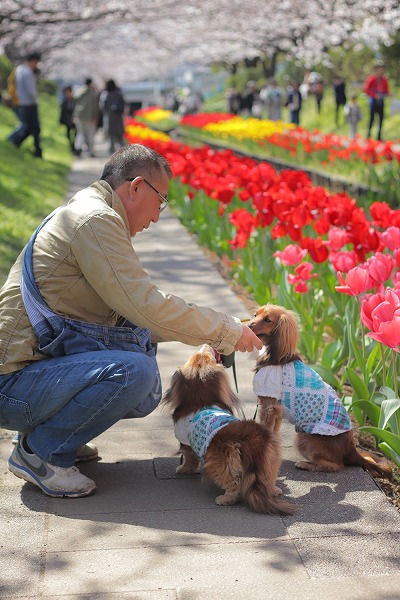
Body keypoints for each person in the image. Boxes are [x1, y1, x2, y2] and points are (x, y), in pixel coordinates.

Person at [0, 143, 262, 499]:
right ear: (136, 186)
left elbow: (137, 316)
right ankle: (41, 451)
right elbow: (146, 306)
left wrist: (218, 332)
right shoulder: (96, 220)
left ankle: (59, 434)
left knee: (142, 367)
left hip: (22, 379)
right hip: (11, 388)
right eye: (161, 201)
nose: (157, 217)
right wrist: (227, 331)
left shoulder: (90, 213)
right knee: (135, 373)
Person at [7, 51, 43, 158]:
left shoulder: (19, 69)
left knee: (28, 127)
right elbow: (31, 91)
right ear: (33, 61)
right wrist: (35, 100)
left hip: (21, 102)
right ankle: (36, 151)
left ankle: (14, 142)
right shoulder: (28, 72)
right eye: (37, 62)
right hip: (29, 104)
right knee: (35, 129)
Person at [73, 77, 99, 157]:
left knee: (80, 134)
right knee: (90, 134)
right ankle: (91, 152)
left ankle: (77, 148)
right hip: (89, 116)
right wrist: (96, 116)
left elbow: (74, 101)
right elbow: (95, 106)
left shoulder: (79, 92)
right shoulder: (92, 93)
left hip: (79, 116)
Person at [364, 62, 391, 141]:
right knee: (372, 119)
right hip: (373, 101)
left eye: (382, 70)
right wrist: (374, 95)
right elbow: (366, 89)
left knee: (381, 119)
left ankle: (379, 136)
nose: (381, 71)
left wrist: (389, 94)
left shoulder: (385, 80)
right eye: (379, 70)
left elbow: (386, 91)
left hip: (381, 101)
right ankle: (368, 135)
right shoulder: (371, 79)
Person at [102, 79, 125, 154]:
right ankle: (123, 153)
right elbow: (123, 105)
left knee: (111, 136)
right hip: (118, 118)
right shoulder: (118, 94)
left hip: (109, 118)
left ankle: (112, 153)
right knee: (120, 137)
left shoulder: (105, 95)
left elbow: (102, 107)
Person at [59, 85, 77, 154]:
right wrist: (60, 121)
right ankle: (71, 146)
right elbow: (62, 111)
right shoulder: (64, 100)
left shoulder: (74, 100)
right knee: (68, 134)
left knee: (75, 134)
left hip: (74, 119)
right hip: (67, 120)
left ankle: (75, 147)